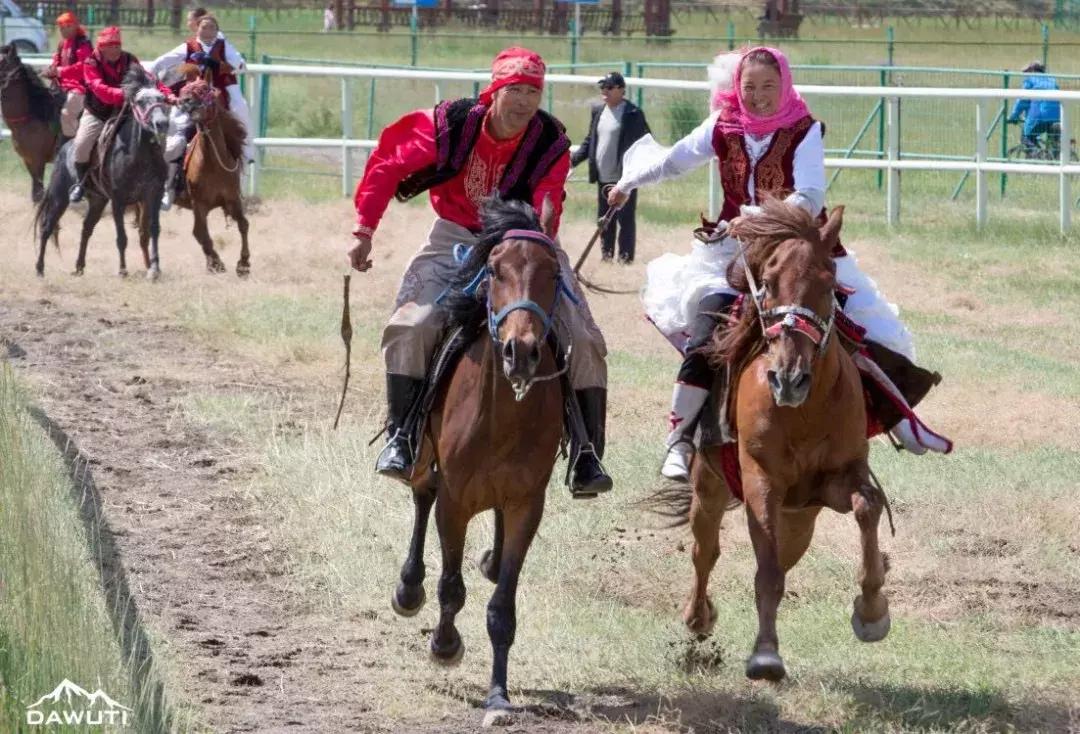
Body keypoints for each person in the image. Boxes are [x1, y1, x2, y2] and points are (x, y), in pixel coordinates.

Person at [607, 47, 949, 481]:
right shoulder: (723, 125)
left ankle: (902, 419)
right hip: (734, 250)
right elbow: (674, 160)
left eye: (769, 86)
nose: (758, 96)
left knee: (847, 324)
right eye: (749, 87)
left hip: (797, 243)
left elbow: (809, 197)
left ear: (785, 85)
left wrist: (751, 217)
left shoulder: (803, 129)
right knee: (707, 328)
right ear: (737, 87)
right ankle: (680, 436)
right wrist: (627, 183)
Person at [347, 47, 613, 497]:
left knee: (584, 337)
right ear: (495, 90)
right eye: (515, 90)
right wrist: (364, 229)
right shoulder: (451, 123)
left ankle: (587, 454)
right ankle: (402, 436)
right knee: (410, 326)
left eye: (533, 91)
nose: (525, 101)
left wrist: (542, 243)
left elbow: (550, 202)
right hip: (455, 237)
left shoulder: (550, 141)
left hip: (524, 243)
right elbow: (389, 164)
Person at [153, 13, 253, 209]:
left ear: (217, 30)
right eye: (204, 27)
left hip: (219, 99)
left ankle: (247, 155)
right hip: (193, 99)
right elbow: (163, 61)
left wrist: (214, 63)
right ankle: (168, 188)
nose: (208, 31)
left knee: (241, 109)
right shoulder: (188, 46)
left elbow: (240, 66)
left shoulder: (224, 46)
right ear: (196, 28)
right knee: (175, 138)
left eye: (212, 28)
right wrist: (149, 73)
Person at [69, 27, 173, 204]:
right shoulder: (90, 63)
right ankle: (81, 182)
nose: (115, 49)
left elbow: (149, 79)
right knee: (81, 145)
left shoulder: (129, 59)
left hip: (126, 112)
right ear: (101, 47)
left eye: (117, 45)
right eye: (110, 46)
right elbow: (100, 89)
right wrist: (127, 93)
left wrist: (167, 94)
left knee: (158, 135)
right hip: (98, 113)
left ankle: (161, 182)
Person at [571, 71, 651, 264]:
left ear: (621, 90)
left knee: (625, 219)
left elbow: (646, 142)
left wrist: (636, 171)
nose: (604, 91)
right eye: (602, 87)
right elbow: (590, 140)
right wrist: (572, 160)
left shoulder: (633, 114)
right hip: (603, 176)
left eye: (608, 87)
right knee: (604, 218)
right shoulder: (598, 110)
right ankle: (606, 255)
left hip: (624, 179)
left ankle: (625, 258)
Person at [42, 12, 92, 140]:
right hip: (62, 85)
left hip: (80, 87)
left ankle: (71, 144)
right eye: (61, 28)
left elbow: (83, 67)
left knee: (67, 114)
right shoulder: (62, 44)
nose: (64, 30)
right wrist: (50, 70)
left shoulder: (83, 43)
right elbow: (56, 62)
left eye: (67, 26)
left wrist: (61, 71)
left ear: (75, 26)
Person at [1007, 61, 1061, 158]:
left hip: (1039, 117)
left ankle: (1036, 156)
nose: (1025, 75)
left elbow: (1022, 101)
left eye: (1026, 72)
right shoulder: (1052, 80)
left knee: (1026, 137)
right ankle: (1054, 159)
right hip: (1057, 117)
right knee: (1054, 144)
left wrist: (1014, 116)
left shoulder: (1030, 80)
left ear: (1032, 70)